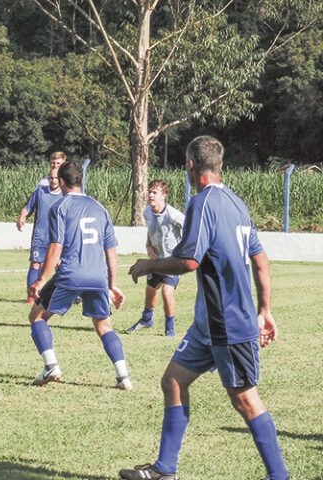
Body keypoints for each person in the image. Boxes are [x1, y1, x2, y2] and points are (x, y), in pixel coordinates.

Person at [122, 136, 288, 480]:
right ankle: (165, 469)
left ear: (191, 165)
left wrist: (149, 265)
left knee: (245, 400)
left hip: (229, 323)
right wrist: (266, 309)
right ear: (221, 165)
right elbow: (260, 260)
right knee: (173, 381)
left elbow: (189, 261)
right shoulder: (237, 203)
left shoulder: (202, 202)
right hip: (207, 324)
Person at [26, 161, 130, 389]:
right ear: (80, 180)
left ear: (62, 182)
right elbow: (111, 250)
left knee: (37, 317)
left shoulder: (60, 207)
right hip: (98, 277)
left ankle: (51, 365)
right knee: (104, 326)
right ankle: (124, 377)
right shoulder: (100, 208)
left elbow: (56, 246)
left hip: (71, 275)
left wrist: (41, 280)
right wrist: (113, 285)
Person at [127, 180, 185, 337]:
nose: (151, 195)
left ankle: (170, 328)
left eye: (155, 193)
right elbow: (151, 231)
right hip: (157, 261)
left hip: (173, 262)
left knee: (167, 292)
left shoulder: (174, 215)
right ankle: (146, 319)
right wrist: (148, 246)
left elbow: (189, 231)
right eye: (150, 192)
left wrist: (183, 253)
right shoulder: (147, 212)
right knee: (151, 290)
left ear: (164, 196)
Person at [17, 167, 64, 304]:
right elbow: (28, 207)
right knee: (36, 264)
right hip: (40, 236)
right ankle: (31, 296)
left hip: (57, 238)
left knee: (59, 266)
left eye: (56, 178)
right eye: (51, 178)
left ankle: (61, 296)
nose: (53, 181)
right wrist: (22, 217)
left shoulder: (65, 195)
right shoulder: (40, 192)